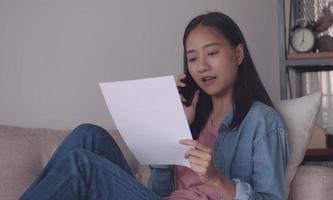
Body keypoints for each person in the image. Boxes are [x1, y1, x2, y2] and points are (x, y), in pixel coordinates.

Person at [20, 11, 290, 200]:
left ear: (238, 54)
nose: (202, 66)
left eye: (212, 53)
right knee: (88, 135)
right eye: (193, 58)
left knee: (82, 165)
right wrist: (174, 124)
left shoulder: (262, 121)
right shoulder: (196, 115)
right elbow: (159, 189)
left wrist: (216, 178)